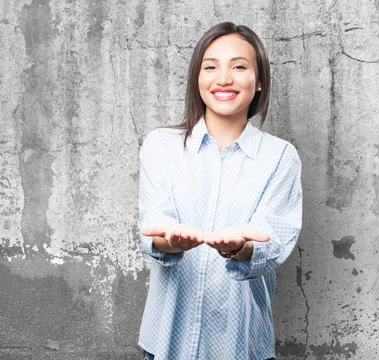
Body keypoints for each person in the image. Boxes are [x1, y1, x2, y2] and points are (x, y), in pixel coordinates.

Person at [137, 22, 303, 360]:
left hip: (241, 343)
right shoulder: (161, 146)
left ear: (259, 82)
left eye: (239, 67)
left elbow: (273, 242)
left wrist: (239, 248)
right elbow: (153, 222)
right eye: (210, 66)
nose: (223, 78)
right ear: (197, 79)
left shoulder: (280, 157)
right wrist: (170, 241)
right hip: (167, 340)